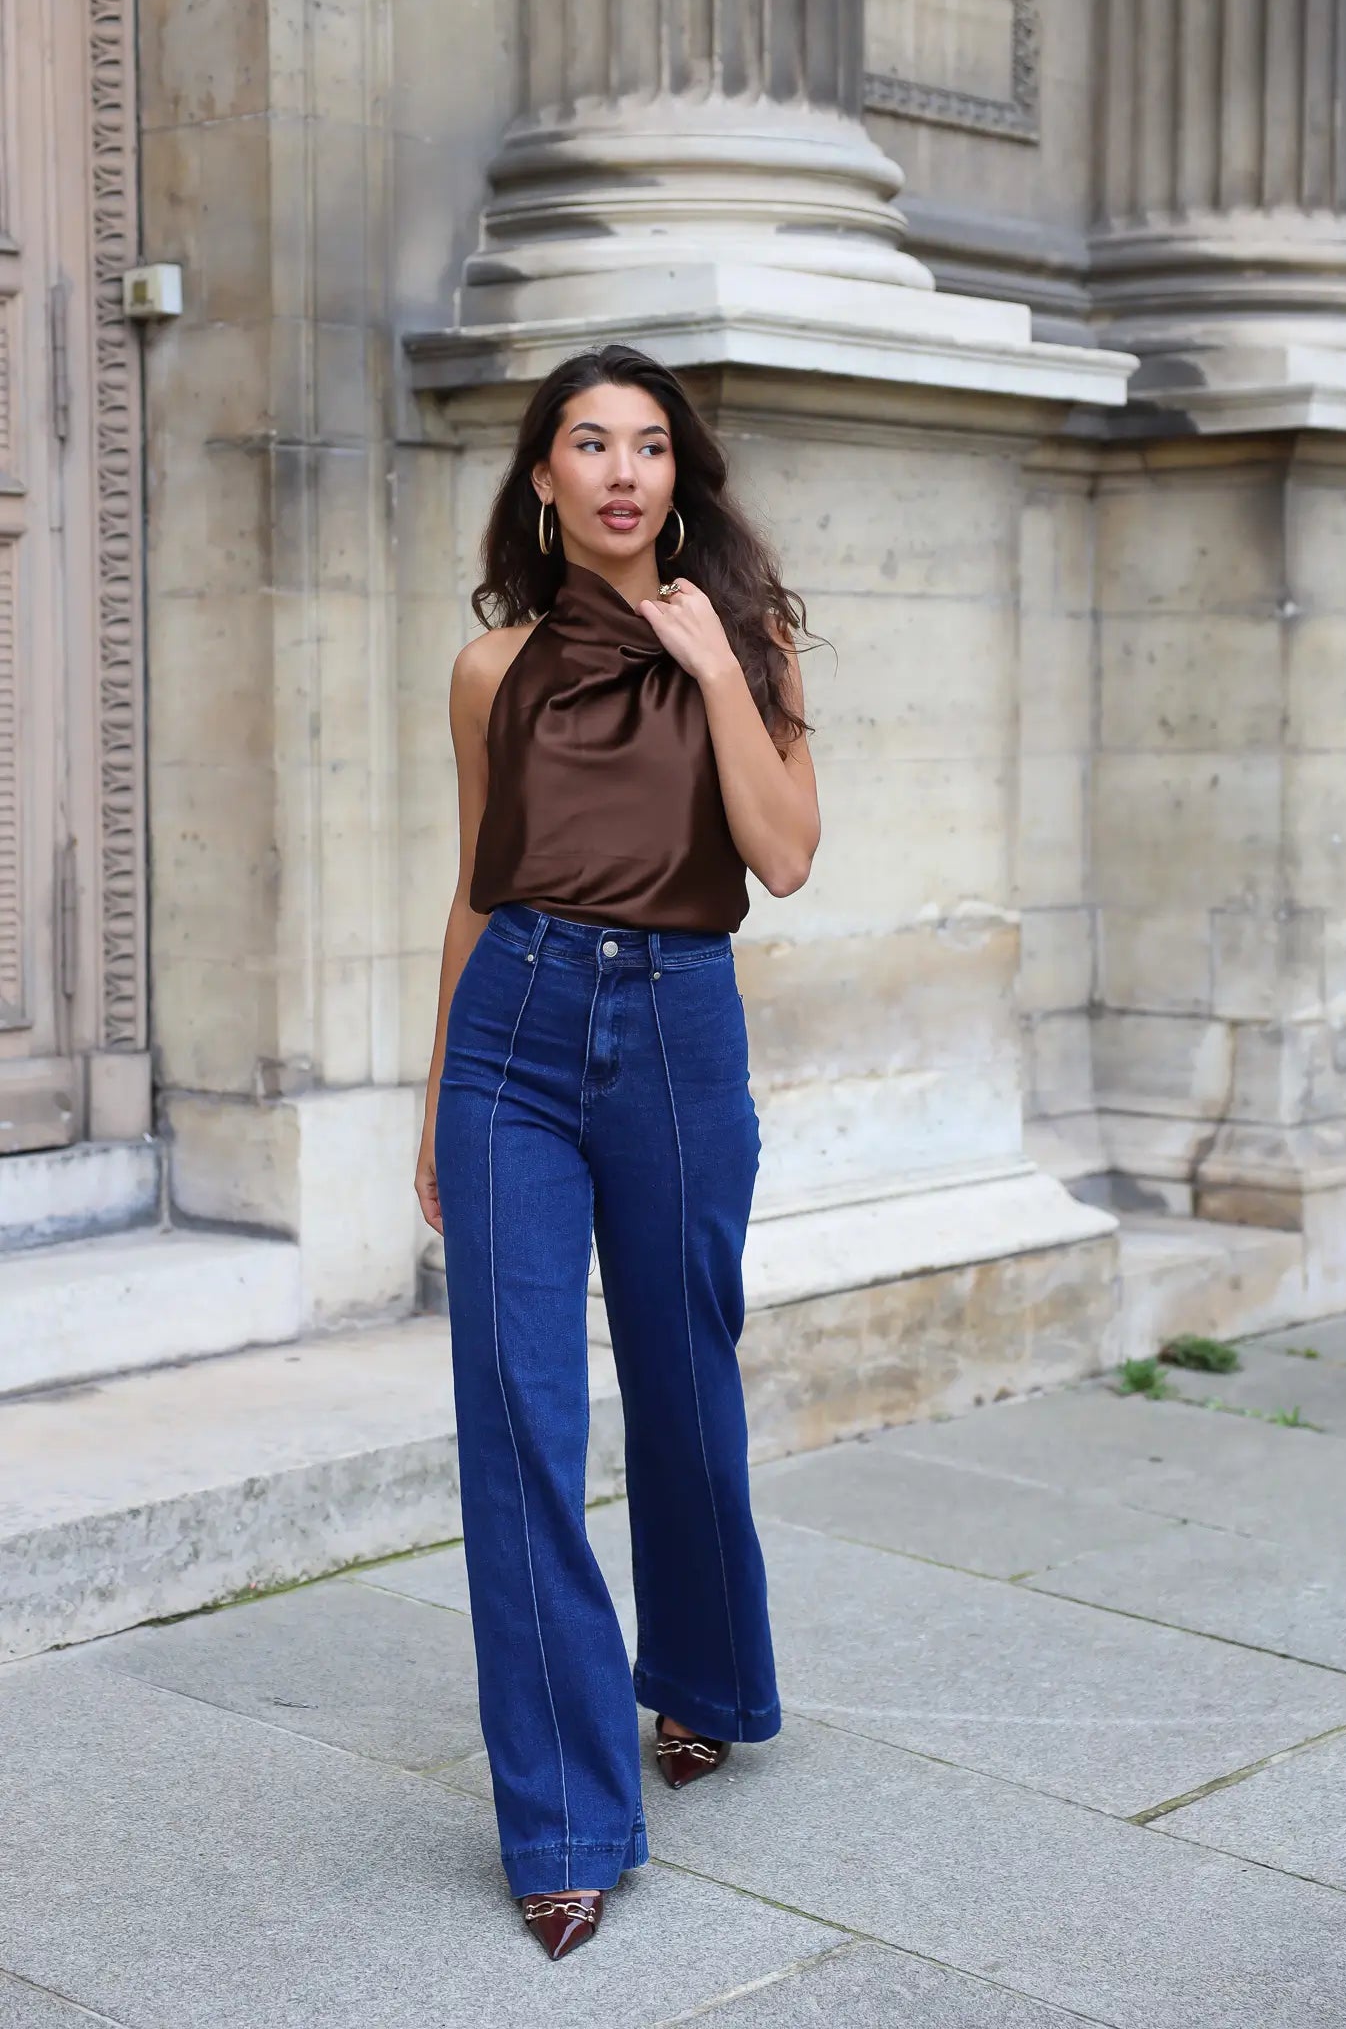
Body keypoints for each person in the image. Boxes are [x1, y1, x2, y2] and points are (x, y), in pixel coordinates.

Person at [413, 341, 821, 1960]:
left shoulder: (749, 640)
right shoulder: (486, 667)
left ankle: (706, 1677)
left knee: (682, 1372)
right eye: (588, 442)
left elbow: (783, 856)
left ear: (678, 478)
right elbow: (474, 877)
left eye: (649, 445)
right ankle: (566, 1823)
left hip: (673, 1030)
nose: (620, 471)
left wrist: (715, 663)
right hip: (510, 1029)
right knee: (514, 1413)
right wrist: (436, 1084)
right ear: (541, 477)